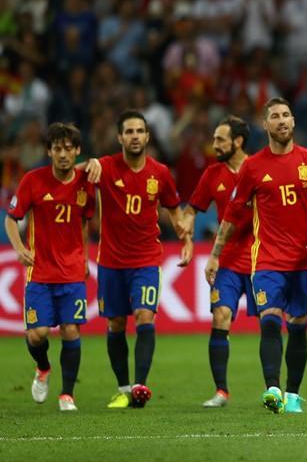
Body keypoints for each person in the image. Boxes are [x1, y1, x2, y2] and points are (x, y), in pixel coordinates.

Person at [209, 98, 307, 414]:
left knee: (299, 324)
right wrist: (215, 255)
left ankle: (293, 395)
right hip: (267, 260)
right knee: (269, 319)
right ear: (265, 125)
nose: (281, 120)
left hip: (304, 260)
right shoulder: (252, 167)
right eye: (275, 116)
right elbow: (231, 216)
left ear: (293, 122)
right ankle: (273, 389)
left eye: (286, 115)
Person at [96, 110, 193, 409]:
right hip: (111, 261)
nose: (135, 136)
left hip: (146, 259)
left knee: (144, 315)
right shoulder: (105, 167)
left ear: (148, 136)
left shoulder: (160, 173)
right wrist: (88, 163)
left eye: (139, 131)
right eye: (129, 131)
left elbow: (174, 211)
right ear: (120, 137)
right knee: (115, 323)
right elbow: (75, 173)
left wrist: (187, 240)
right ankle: (123, 388)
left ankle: (139, 386)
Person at [4, 123, 99, 411]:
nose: (63, 154)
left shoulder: (85, 183)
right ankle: (43, 368)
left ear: (77, 150)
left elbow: (83, 222)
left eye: (68, 148)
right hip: (40, 272)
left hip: (71, 272)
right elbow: (11, 218)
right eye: (57, 148)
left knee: (71, 330)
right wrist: (19, 249)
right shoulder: (33, 180)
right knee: (38, 334)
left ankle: (67, 394)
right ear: (49, 152)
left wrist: (84, 258)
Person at [177, 116, 254, 408]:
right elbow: (192, 209)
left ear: (238, 141)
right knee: (220, 315)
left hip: (261, 258)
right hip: (227, 261)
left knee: (271, 321)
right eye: (214, 139)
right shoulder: (212, 174)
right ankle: (221, 391)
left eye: (220, 139)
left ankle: (274, 387)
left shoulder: (258, 168)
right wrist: (186, 224)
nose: (215, 144)